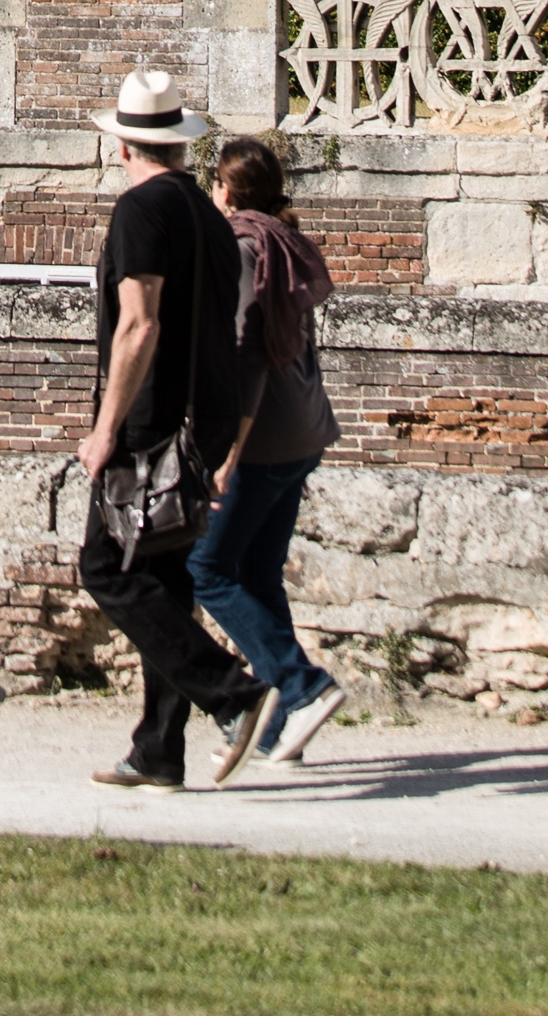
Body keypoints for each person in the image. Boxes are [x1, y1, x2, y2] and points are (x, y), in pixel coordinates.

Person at [77, 67, 266, 792]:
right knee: (163, 576)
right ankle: (159, 748)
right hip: (205, 420)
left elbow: (140, 325)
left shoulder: (141, 211)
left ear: (123, 146)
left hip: (152, 423)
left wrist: (105, 429)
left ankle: (232, 691)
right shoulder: (210, 218)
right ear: (181, 144)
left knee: (107, 568)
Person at [188, 136, 345, 774]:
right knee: (257, 575)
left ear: (225, 190)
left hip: (265, 439)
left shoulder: (242, 248)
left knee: (206, 569)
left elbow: (246, 357)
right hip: (305, 428)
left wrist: (228, 450)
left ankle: (302, 687)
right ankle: (282, 729)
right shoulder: (286, 240)